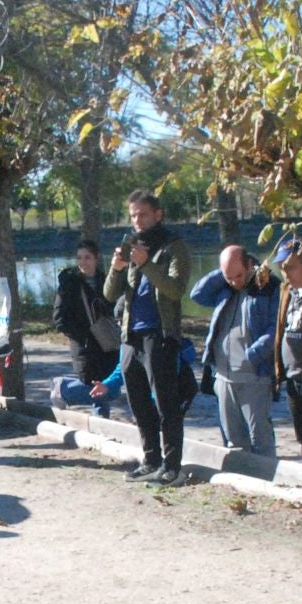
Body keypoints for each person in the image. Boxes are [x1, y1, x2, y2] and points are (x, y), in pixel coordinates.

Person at [103, 190, 192, 485]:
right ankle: (150, 459)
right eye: (133, 216)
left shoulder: (173, 246)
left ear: (158, 214)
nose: (137, 221)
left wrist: (145, 264)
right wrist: (117, 269)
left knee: (166, 403)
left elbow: (176, 290)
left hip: (160, 334)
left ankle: (172, 466)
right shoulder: (131, 247)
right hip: (131, 336)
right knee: (138, 403)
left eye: (143, 214)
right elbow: (109, 294)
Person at [191, 244, 279, 458]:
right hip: (223, 375)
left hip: (254, 375)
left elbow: (276, 327)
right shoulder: (225, 288)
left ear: (250, 264)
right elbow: (197, 294)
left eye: (238, 275)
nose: (234, 282)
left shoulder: (270, 287)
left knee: (260, 434)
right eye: (228, 277)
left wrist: (254, 354)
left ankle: (267, 478)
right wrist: (224, 274)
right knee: (232, 436)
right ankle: (242, 476)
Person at [51, 238, 120, 415]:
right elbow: (60, 319)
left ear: (96, 259)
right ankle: (63, 390)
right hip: (86, 347)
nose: (83, 262)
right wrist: (84, 337)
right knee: (107, 390)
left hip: (107, 343)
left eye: (87, 257)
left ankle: (101, 423)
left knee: (105, 387)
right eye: (80, 258)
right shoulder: (70, 283)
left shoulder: (106, 281)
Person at [272, 235, 302, 468]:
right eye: (282, 268)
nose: (285, 272)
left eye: (290, 267)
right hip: (292, 378)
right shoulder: (287, 292)